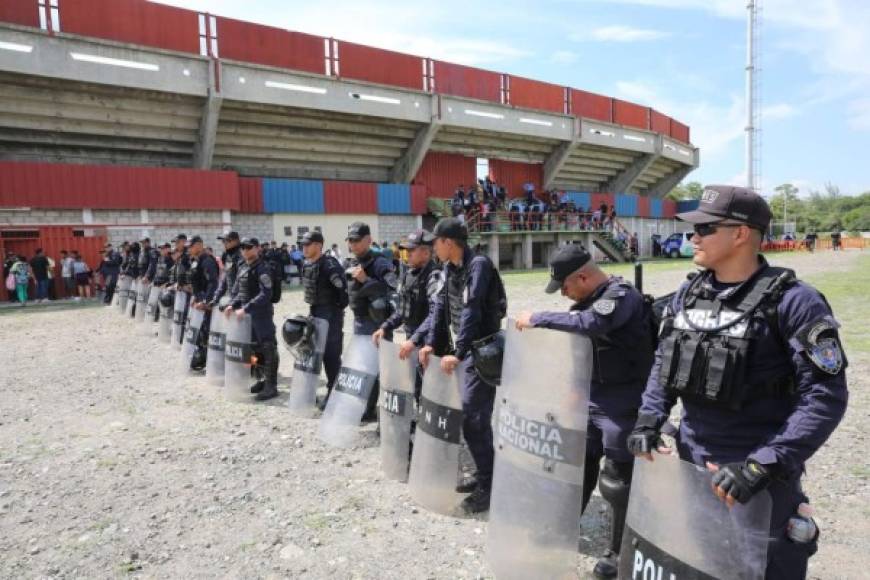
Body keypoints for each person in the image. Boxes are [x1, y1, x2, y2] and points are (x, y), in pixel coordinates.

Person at [626, 185, 848, 579]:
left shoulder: (795, 301)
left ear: (741, 233)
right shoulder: (689, 292)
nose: (693, 237)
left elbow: (825, 396)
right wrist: (648, 417)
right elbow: (665, 362)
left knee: (761, 569)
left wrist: (763, 465)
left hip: (758, 476)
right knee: (700, 562)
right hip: (692, 463)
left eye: (705, 228)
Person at [514, 245, 655, 578]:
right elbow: (584, 349)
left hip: (623, 402)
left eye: (565, 287)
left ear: (583, 276)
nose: (563, 295)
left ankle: (619, 551)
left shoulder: (621, 296)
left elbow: (593, 324)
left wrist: (539, 317)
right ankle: (562, 528)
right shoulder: (587, 300)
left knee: (619, 482)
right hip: (592, 398)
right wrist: (575, 392)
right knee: (578, 467)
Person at [419, 217, 506, 514]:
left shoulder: (478, 265)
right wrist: (431, 342)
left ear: (448, 242)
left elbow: (472, 309)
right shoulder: (447, 267)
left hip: (484, 353)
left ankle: (491, 485)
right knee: (471, 418)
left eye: (435, 242)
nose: (433, 247)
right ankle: (486, 477)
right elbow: (441, 306)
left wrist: (458, 350)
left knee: (474, 417)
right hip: (467, 353)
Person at [373, 229, 443, 398]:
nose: (407, 254)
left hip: (430, 343)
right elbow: (403, 309)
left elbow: (435, 314)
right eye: (406, 250)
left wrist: (414, 340)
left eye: (412, 250)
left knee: (432, 392)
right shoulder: (409, 274)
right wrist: (385, 326)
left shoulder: (435, 276)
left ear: (426, 252)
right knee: (414, 387)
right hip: (412, 341)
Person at [346, 221, 398, 419]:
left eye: (358, 241)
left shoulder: (381, 263)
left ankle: (387, 412)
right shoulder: (351, 263)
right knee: (364, 368)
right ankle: (367, 409)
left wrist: (366, 280)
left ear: (368, 240)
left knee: (382, 370)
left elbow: (393, 291)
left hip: (377, 324)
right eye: (351, 241)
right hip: (359, 321)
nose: (354, 245)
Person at [226, 237, 280, 401]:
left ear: (257, 249)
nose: (245, 250)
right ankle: (261, 379)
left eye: (249, 247)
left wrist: (246, 308)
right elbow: (240, 293)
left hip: (261, 315)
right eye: (242, 247)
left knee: (268, 348)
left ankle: (271, 386)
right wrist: (232, 305)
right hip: (247, 316)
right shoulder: (243, 267)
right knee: (255, 349)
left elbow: (266, 294)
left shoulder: (262, 268)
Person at [299, 230, 348, 408]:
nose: (303, 247)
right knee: (312, 351)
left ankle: (334, 393)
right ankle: (311, 391)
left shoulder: (329, 264)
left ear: (318, 245)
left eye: (307, 244)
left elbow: (343, 293)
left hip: (330, 315)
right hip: (315, 311)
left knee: (331, 355)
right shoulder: (308, 264)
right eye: (302, 244)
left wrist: (334, 313)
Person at [186, 236, 220, 371]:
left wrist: (206, 301)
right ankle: (203, 357)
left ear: (199, 245)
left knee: (208, 331)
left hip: (207, 304)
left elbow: (213, 283)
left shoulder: (207, 261)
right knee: (200, 331)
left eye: (191, 246)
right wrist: (195, 296)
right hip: (199, 301)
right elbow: (196, 282)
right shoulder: (196, 261)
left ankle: (213, 362)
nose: (189, 248)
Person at [212, 232, 242, 307]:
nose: (224, 243)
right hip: (232, 299)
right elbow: (225, 278)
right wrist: (216, 297)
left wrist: (233, 300)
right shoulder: (228, 255)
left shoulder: (241, 256)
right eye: (223, 241)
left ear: (236, 241)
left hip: (241, 301)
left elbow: (241, 281)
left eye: (227, 241)